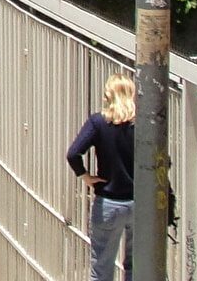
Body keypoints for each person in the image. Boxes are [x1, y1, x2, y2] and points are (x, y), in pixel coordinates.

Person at [67, 73, 137, 281]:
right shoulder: (142, 125)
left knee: (101, 269)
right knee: (136, 267)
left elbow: (73, 154)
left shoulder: (98, 122)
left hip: (108, 203)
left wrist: (86, 176)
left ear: (109, 95)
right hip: (138, 203)